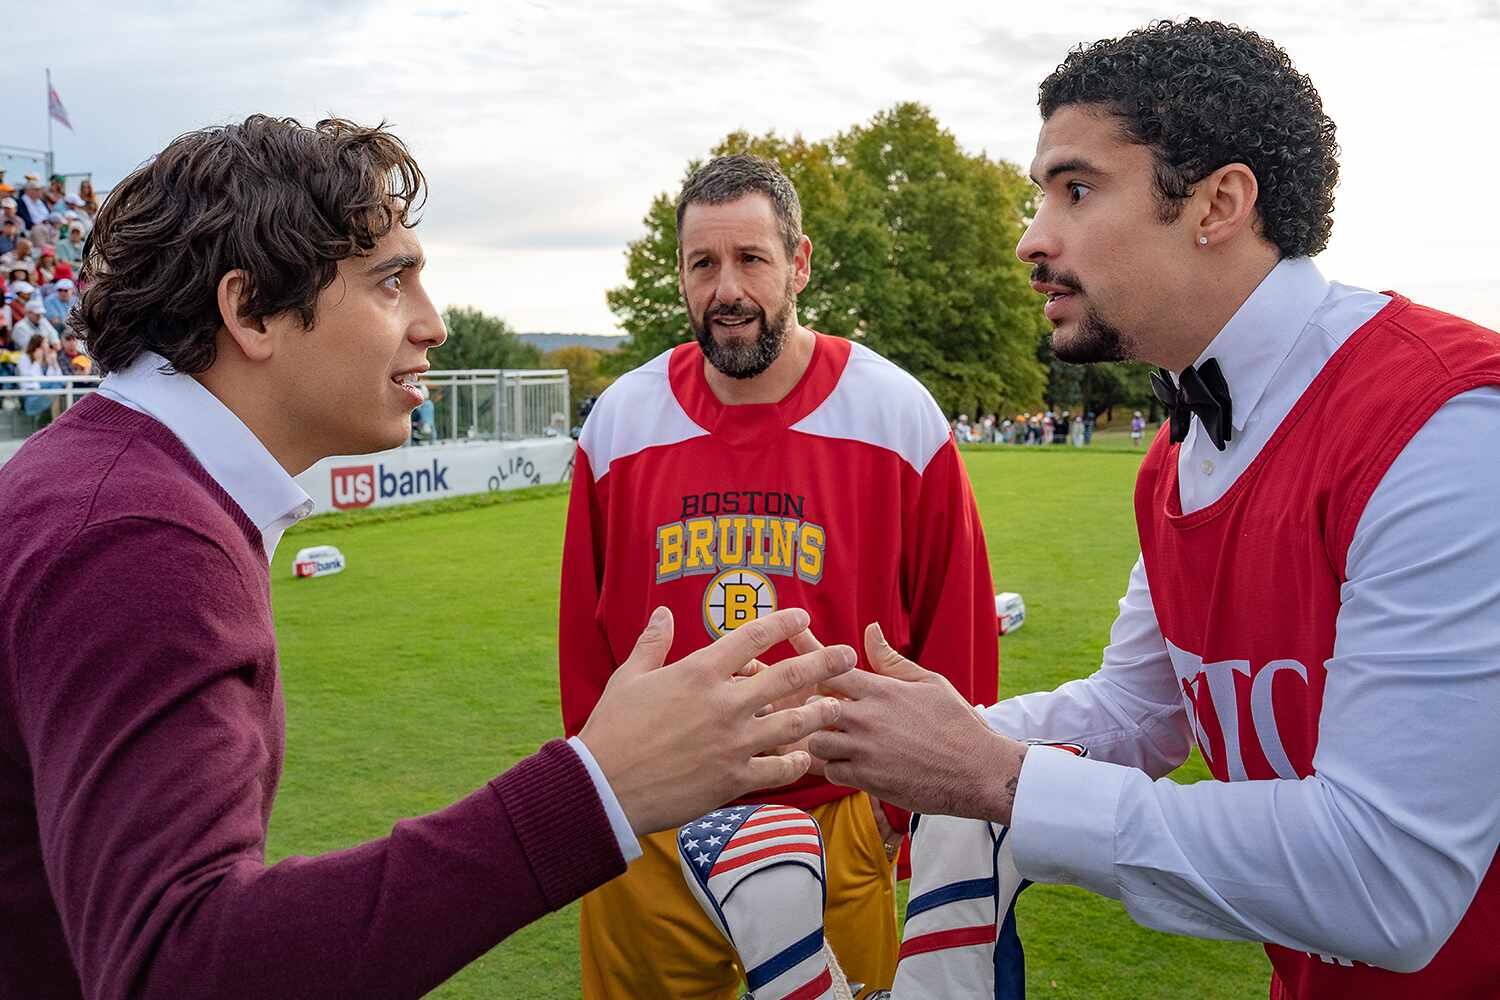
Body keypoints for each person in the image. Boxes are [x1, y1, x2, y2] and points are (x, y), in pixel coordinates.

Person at [0, 116, 856, 1000]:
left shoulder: (119, 486)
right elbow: (177, 967)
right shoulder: (135, 536)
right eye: (392, 282)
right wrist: (598, 788)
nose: (434, 325)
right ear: (249, 310)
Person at [807, 19, 1500, 1000]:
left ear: (1220, 202)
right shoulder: (1173, 460)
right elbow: (1138, 711)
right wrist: (900, 730)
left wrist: (997, 777)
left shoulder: (1450, 421)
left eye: (1075, 189)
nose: (1030, 237)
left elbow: (1392, 880)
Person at [560, 153, 998, 999]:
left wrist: (902, 814)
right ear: (681, 276)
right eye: (703, 264)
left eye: (751, 259)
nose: (727, 288)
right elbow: (586, 636)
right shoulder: (621, 420)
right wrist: (604, 797)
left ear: (798, 263)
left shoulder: (895, 412)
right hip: (656, 818)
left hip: (836, 816)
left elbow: (959, 628)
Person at [16, 331, 64, 421]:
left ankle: (55, 420)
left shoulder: (47, 357)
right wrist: (37, 362)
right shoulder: (25, 358)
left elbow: (59, 379)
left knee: (58, 386)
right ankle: (56, 421)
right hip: (31, 395)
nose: (48, 345)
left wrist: (54, 363)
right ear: (38, 345)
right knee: (56, 391)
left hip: (45, 391)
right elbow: (30, 382)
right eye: (45, 343)